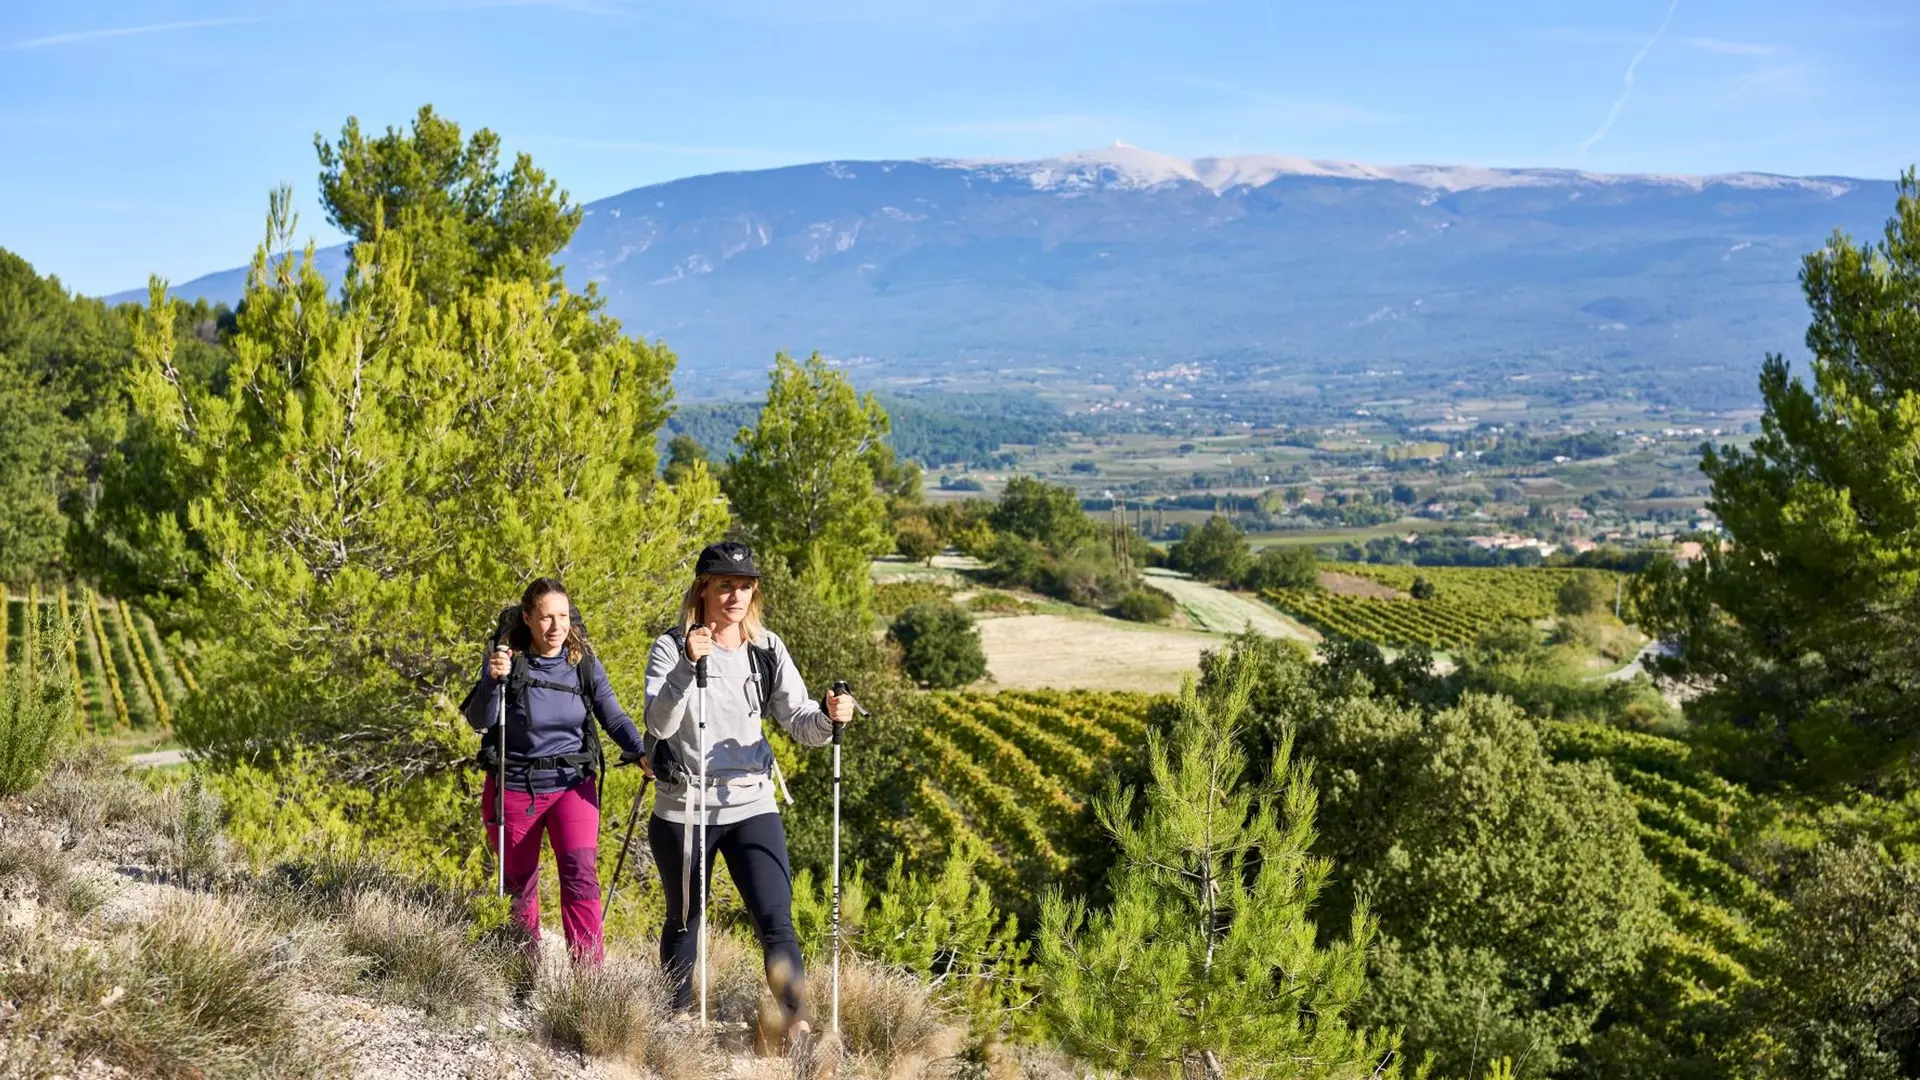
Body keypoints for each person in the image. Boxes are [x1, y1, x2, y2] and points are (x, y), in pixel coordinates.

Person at [643, 540, 854, 1042]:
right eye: (724, 585)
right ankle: (676, 1017)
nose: (735, 595)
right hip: (685, 806)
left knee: (775, 916)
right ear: (703, 589)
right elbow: (657, 722)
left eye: (744, 586)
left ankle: (797, 1021)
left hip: (751, 802)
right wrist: (683, 670)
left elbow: (800, 721)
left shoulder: (766, 649)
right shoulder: (671, 647)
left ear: (753, 592)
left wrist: (829, 717)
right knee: (685, 918)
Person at [463, 576, 648, 964]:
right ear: (528, 619)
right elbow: (480, 719)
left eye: (562, 616)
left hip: (572, 785)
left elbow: (612, 716)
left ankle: (588, 980)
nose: (556, 627)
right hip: (514, 785)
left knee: (580, 874)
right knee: (518, 884)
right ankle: (522, 970)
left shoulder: (583, 665)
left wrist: (640, 752)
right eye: (546, 617)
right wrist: (491, 679)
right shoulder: (506, 661)